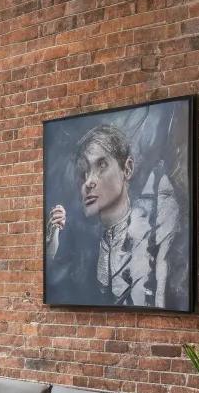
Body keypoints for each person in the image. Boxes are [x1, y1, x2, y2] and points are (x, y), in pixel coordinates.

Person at [45, 122, 183, 308]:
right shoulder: (85, 252)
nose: (89, 182)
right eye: (84, 172)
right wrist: (52, 242)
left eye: (101, 165)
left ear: (127, 169)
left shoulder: (154, 236)